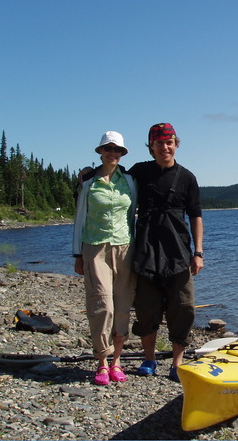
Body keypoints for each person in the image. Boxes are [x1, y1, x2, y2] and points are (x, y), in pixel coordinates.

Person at [128, 122, 204, 381]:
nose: (165, 147)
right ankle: (149, 359)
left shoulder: (187, 177)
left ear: (176, 145)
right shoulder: (139, 172)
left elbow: (195, 216)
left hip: (178, 253)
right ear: (151, 146)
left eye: (169, 142)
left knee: (183, 308)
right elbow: (113, 178)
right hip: (145, 252)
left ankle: (177, 362)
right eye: (159, 143)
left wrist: (199, 252)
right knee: (147, 309)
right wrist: (88, 172)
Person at [73, 131, 138, 386]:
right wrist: (77, 254)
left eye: (118, 150)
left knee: (122, 306)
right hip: (94, 247)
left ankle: (117, 361)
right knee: (102, 306)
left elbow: (132, 214)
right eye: (108, 149)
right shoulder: (88, 181)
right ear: (100, 151)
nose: (113, 153)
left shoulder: (130, 181)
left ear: (122, 154)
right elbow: (79, 218)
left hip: (125, 248)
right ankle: (102, 361)